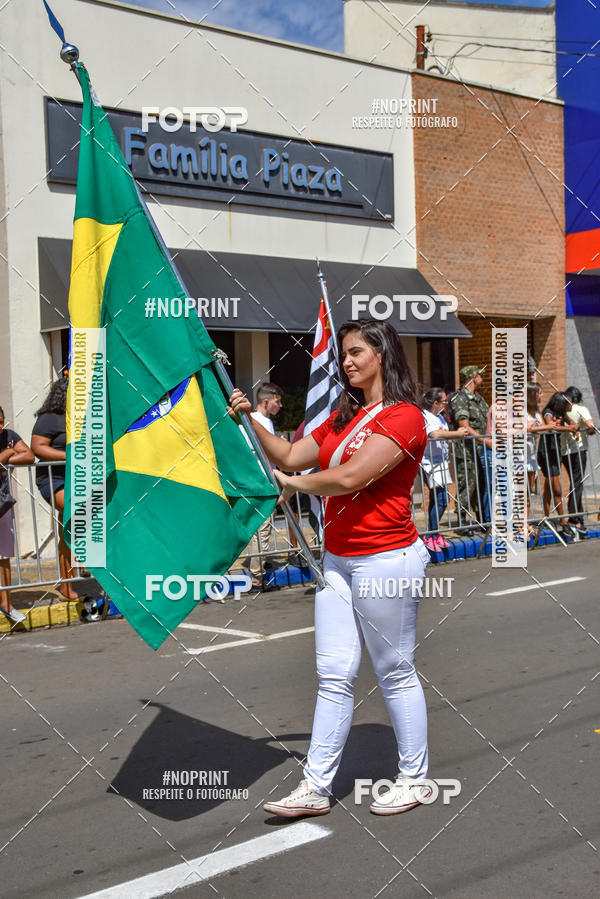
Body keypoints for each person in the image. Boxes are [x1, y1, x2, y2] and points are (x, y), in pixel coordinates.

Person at [229, 320, 432, 818]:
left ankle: (414, 779)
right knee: (334, 674)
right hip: (337, 561)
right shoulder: (344, 416)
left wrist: (291, 483)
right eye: (344, 353)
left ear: (382, 354)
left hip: (386, 559)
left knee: (394, 671)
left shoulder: (406, 417)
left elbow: (351, 477)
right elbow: (290, 453)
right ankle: (316, 786)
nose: (347, 361)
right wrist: (250, 419)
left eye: (357, 351)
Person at [30, 376, 79, 600]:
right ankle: (75, 574)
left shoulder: (80, 417)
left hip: (77, 479)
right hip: (54, 479)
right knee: (75, 513)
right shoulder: (50, 418)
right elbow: (38, 448)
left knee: (68, 530)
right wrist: (69, 456)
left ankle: (67, 584)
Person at [245, 383, 284, 586]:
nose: (280, 405)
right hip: (260, 484)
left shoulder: (264, 421)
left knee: (262, 530)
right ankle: (257, 579)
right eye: (278, 401)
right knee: (262, 530)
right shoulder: (252, 420)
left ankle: (260, 567)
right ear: (266, 401)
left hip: (265, 483)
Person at [420, 389, 469, 551]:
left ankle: (434, 533)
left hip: (441, 462)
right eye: (444, 401)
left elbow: (445, 434)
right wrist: (455, 433)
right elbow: (434, 434)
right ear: (435, 403)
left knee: (439, 499)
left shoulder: (440, 417)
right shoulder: (425, 416)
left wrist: (456, 436)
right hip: (429, 462)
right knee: (442, 498)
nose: (446, 404)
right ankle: (430, 534)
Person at [0, 406, 34, 624]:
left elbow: (29, 455)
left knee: (3, 555)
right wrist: (7, 453)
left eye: (1, 421)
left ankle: (7, 604)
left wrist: (8, 454)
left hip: (2, 502)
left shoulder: (9, 436)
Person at [448, 365, 489, 533]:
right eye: (480, 375)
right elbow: (464, 425)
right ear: (473, 377)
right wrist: (486, 441)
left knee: (480, 484)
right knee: (467, 484)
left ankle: (482, 519)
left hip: (480, 449)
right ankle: (462, 520)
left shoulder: (478, 398)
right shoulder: (460, 398)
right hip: (466, 450)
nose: (482, 378)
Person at [537, 391, 578, 541]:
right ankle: (563, 522)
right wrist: (569, 429)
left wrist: (574, 427)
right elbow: (550, 426)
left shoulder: (562, 414)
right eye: (569, 402)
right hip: (546, 453)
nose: (571, 405)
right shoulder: (548, 412)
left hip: (555, 452)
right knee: (557, 489)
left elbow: (572, 423)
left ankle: (546, 517)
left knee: (549, 488)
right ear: (562, 403)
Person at [562, 386, 597, 538]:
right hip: (578, 450)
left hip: (564, 451)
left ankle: (579, 519)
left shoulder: (563, 410)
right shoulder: (581, 409)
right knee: (577, 484)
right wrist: (590, 430)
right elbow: (591, 425)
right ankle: (574, 518)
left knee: (575, 483)